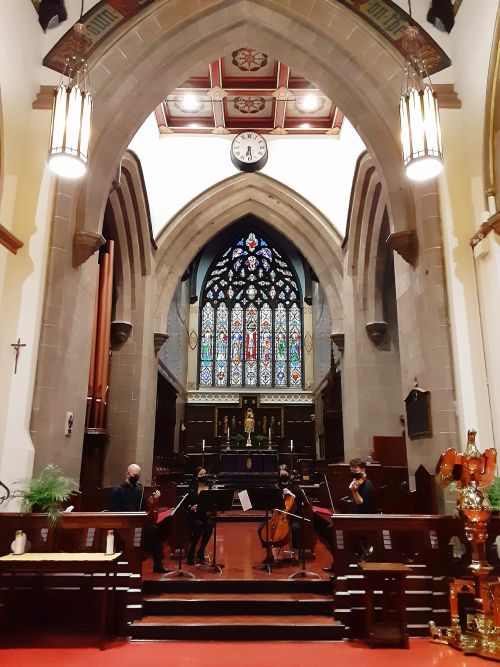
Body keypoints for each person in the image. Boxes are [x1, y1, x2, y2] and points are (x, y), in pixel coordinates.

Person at [109, 464, 169, 573]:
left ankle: (158, 564)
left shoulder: (139, 489)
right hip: (124, 523)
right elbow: (113, 510)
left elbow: (144, 506)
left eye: (138, 475)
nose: (136, 477)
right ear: (127, 474)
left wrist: (152, 501)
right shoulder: (118, 490)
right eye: (134, 475)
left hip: (138, 521)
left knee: (154, 530)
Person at [259, 464, 303, 565]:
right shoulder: (277, 487)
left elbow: (303, 502)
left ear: (289, 474)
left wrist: (292, 495)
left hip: (291, 517)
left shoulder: (294, 487)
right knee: (261, 529)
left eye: (285, 474)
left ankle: (296, 556)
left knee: (295, 528)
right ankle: (269, 555)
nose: (283, 476)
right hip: (277, 516)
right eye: (281, 475)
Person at [185, 467, 214, 566]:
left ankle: (201, 551)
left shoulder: (209, 487)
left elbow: (213, 504)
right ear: (196, 477)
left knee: (209, 524)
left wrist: (214, 494)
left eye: (205, 474)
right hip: (193, 516)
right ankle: (192, 551)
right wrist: (190, 507)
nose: (204, 476)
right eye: (201, 474)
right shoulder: (191, 489)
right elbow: (184, 504)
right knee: (198, 526)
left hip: (203, 514)